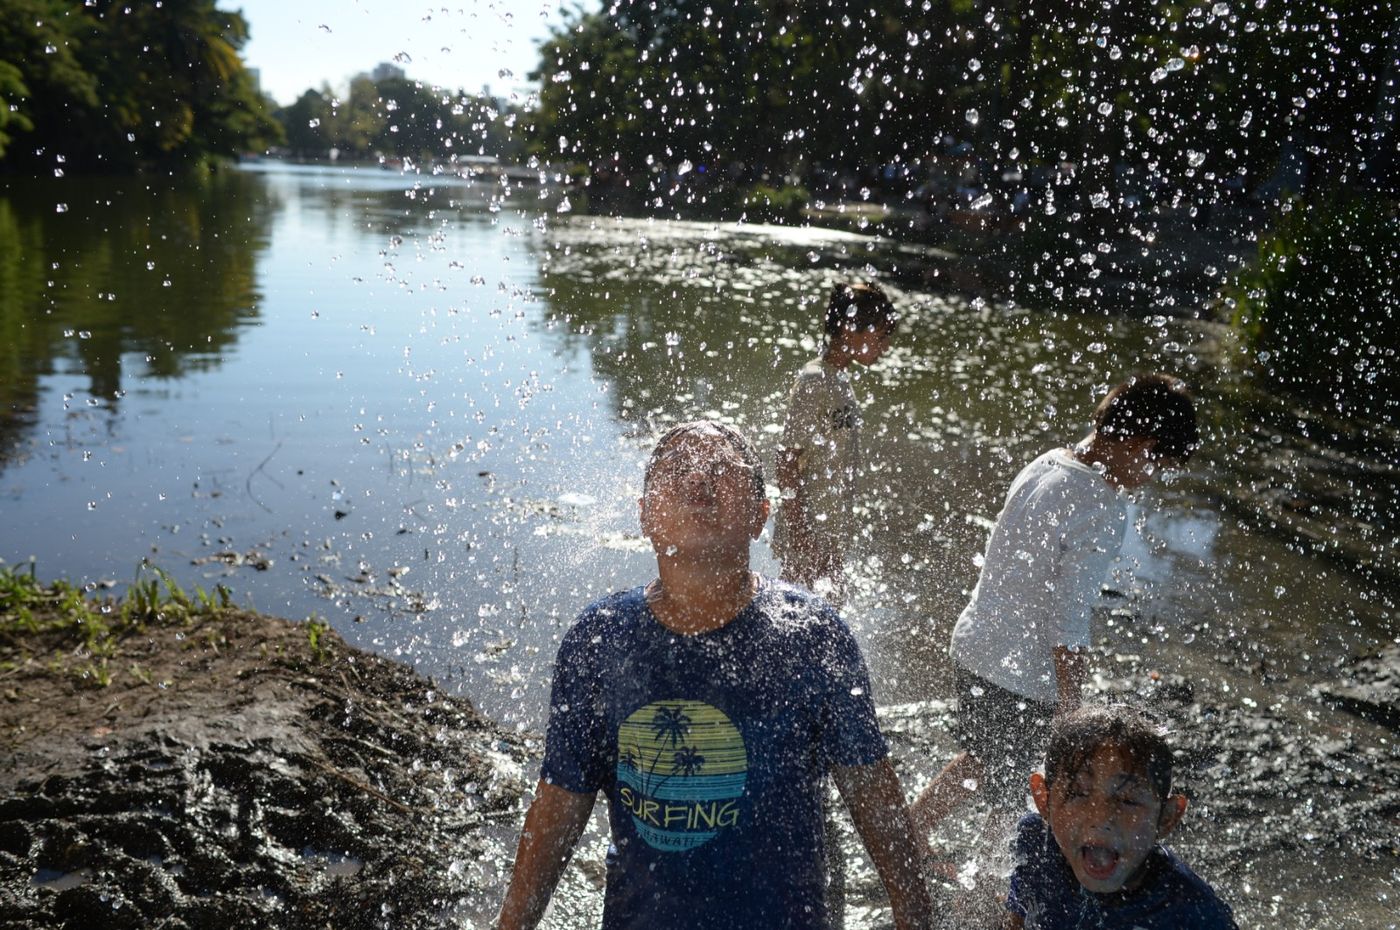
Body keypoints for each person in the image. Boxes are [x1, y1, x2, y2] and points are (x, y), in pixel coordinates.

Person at [496, 420, 933, 930]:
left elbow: (871, 792)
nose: (697, 479)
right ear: (645, 514)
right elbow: (559, 807)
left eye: (723, 469)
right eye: (676, 468)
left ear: (760, 515)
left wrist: (914, 914)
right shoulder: (600, 638)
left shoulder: (813, 635)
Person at [911, 374, 1200, 841]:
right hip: (1021, 671)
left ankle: (910, 830)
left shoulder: (1048, 462)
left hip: (977, 643)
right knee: (1013, 788)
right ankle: (986, 878)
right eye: (1156, 465)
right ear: (1140, 444)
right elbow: (1069, 615)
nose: (1149, 478)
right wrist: (1071, 705)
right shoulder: (1102, 506)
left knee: (984, 762)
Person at [1004, 704, 1238, 929]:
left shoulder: (1193, 912)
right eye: (1077, 793)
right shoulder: (1036, 844)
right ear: (1044, 799)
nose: (1100, 819)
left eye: (1128, 800)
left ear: (1166, 818)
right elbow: (1017, 921)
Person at [773, 281, 898, 606]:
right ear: (848, 328)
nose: (885, 346)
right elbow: (786, 461)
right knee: (802, 616)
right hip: (809, 532)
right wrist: (801, 535)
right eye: (881, 335)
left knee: (827, 615)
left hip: (829, 531)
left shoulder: (840, 379)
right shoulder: (814, 380)